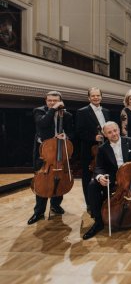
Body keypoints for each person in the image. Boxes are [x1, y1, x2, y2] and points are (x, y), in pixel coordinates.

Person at [83, 121, 131, 240]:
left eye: (115, 130)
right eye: (109, 132)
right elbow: (99, 167)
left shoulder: (130, 141)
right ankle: (98, 221)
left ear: (119, 130)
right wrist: (100, 177)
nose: (114, 134)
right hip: (114, 178)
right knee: (92, 185)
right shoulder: (102, 148)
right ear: (105, 135)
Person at [28, 91, 74, 225]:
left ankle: (55, 205)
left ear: (60, 100)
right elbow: (42, 124)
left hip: (60, 152)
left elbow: (71, 132)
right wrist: (53, 109)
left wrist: (66, 136)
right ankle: (39, 211)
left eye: (55, 100)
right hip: (44, 154)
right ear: (46, 101)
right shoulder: (39, 111)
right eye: (50, 100)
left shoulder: (67, 115)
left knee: (60, 178)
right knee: (42, 181)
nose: (52, 102)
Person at [76, 87, 110, 210]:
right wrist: (93, 137)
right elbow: (79, 132)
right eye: (93, 96)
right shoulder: (82, 111)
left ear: (101, 97)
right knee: (88, 177)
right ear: (89, 98)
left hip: (105, 149)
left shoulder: (106, 111)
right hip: (90, 150)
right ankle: (90, 204)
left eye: (98, 95)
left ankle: (105, 201)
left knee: (105, 174)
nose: (96, 98)